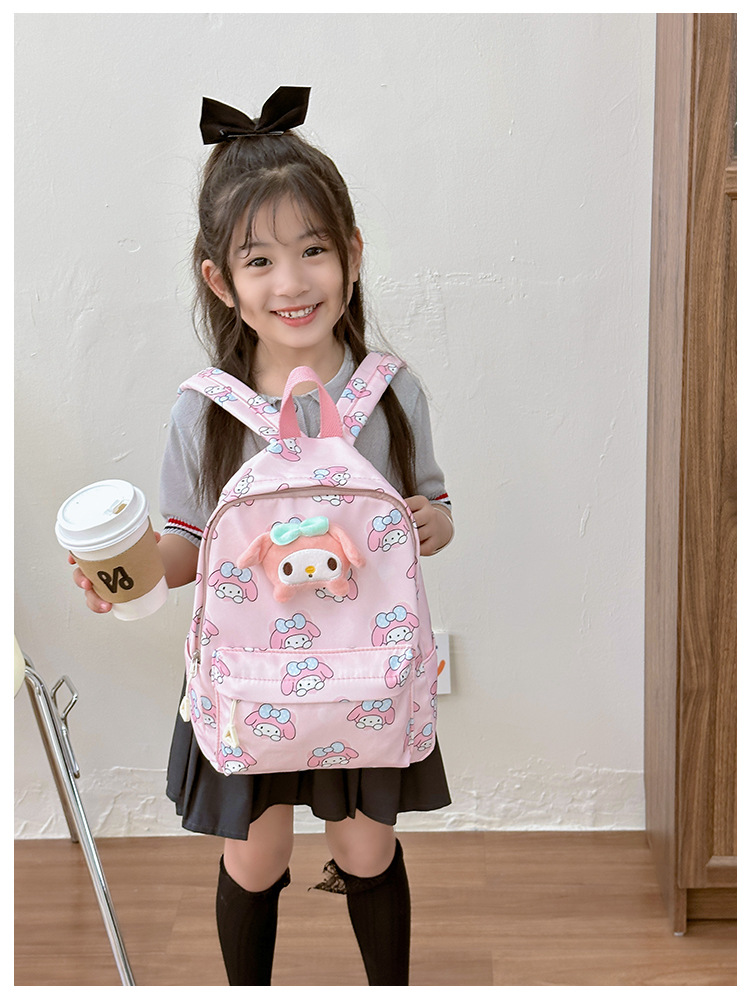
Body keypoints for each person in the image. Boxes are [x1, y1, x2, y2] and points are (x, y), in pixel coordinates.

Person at [71, 88, 454, 987]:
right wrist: (132, 573)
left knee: (366, 849)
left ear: (352, 254)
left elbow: (431, 507)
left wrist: (434, 522)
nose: (292, 283)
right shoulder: (204, 412)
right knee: (256, 856)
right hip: (248, 674)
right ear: (221, 281)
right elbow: (187, 543)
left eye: (313, 249)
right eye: (260, 260)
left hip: (365, 667)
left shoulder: (392, 394)